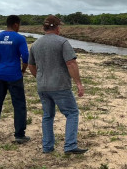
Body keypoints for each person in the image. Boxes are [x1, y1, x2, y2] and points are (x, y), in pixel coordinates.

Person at [27, 15, 87, 155]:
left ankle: (47, 147)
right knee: (72, 113)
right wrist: (78, 83)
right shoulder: (62, 42)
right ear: (57, 28)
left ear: (45, 28)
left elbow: (31, 65)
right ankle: (70, 145)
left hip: (43, 86)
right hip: (60, 86)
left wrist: (40, 77)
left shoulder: (36, 44)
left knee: (48, 115)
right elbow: (71, 63)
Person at [0, 15, 30, 144]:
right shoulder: (20, 38)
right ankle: (19, 135)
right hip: (14, 75)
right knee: (19, 104)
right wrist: (23, 69)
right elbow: (25, 56)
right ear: (16, 24)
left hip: (0, 74)